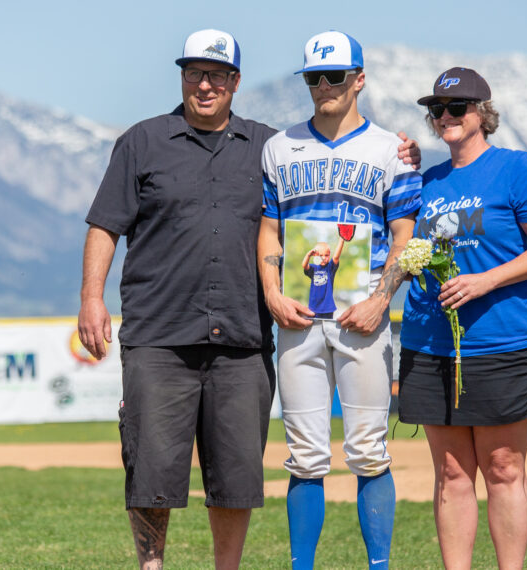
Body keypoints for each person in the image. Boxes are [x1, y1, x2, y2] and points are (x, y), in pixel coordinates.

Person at [77, 28, 420, 570]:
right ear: (183, 78)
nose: (204, 84)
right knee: (151, 470)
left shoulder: (270, 145)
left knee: (236, 476)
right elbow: (104, 224)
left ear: (236, 82)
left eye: (216, 75)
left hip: (241, 335)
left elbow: (329, 173)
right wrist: (90, 298)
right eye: (194, 73)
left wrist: (404, 151)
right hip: (159, 335)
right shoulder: (142, 141)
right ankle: (151, 566)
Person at [257, 31, 422, 570]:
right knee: (305, 456)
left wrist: (382, 298)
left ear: (360, 79)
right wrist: (272, 294)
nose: (324, 86)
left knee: (368, 451)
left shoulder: (389, 150)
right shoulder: (280, 148)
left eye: (335, 76)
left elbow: (404, 234)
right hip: (299, 319)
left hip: (362, 319)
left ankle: (379, 566)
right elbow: (269, 231)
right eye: (314, 77)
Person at [397, 67, 527, 570]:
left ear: (482, 115)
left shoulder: (517, 169)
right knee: (451, 473)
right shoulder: (425, 182)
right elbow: (402, 247)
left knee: (503, 468)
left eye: (457, 108)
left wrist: (486, 280)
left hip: (501, 341)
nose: (445, 117)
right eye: (437, 110)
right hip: (430, 344)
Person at [302, 238, 344, 318]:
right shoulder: (313, 268)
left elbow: (336, 257)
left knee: (327, 329)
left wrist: (341, 240)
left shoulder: (330, 268)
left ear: (329, 254)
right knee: (313, 328)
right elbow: (304, 265)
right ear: (315, 256)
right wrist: (308, 255)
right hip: (313, 307)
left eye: (326, 255)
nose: (324, 257)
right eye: (320, 255)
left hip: (328, 308)